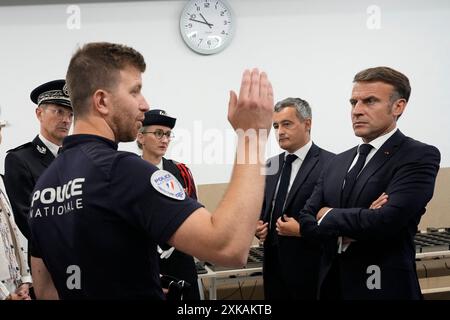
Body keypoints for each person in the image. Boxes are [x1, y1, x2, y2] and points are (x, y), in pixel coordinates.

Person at [29, 42, 274, 299]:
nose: (144, 104)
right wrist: (253, 136)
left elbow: (46, 290)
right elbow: (229, 247)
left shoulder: (44, 185)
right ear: (101, 101)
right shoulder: (122, 171)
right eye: (135, 92)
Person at [297, 66, 441, 300]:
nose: (357, 111)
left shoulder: (418, 155)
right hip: (331, 287)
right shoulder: (337, 161)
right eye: (353, 102)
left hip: (384, 289)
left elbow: (387, 221)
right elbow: (306, 220)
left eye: (369, 101)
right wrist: (360, 220)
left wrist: (327, 215)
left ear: (398, 106)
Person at [255, 97, 334, 299]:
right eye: (276, 126)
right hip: (273, 265)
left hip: (311, 266)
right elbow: (264, 209)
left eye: (286, 124)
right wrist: (259, 226)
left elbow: (335, 220)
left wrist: (303, 231)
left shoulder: (331, 163)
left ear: (307, 124)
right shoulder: (270, 166)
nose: (279, 131)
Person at [136, 109, 200, 300]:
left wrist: (176, 242)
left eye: (168, 134)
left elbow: (193, 215)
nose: (164, 139)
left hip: (180, 260)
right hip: (143, 262)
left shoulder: (181, 172)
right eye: (158, 133)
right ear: (140, 137)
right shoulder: (129, 173)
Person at [4, 80, 73, 241]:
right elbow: (27, 220)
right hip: (45, 257)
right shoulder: (19, 160)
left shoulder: (76, 158)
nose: (66, 120)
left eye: (71, 114)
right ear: (39, 113)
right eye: (59, 112)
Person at [0, 118, 32, 300]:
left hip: (14, 287)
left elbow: (15, 233)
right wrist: (6, 296)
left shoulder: (2, 181)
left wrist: (24, 281)